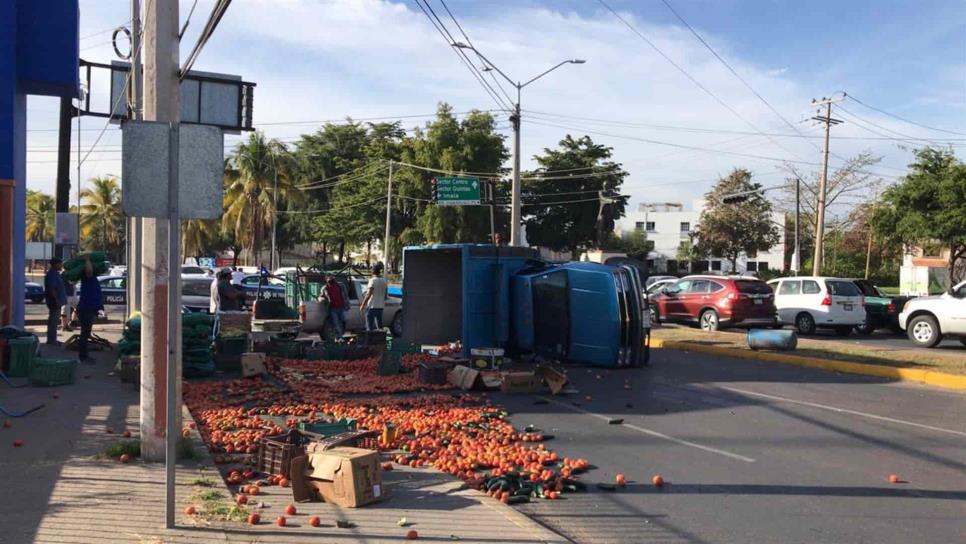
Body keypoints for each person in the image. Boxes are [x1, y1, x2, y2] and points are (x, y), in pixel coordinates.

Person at [76, 257, 103, 363]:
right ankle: (83, 356)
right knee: (85, 333)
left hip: (89, 308)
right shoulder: (88, 277)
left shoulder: (91, 279)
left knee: (86, 333)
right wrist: (87, 259)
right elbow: (89, 271)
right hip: (86, 309)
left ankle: (84, 355)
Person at [43, 257, 67, 345]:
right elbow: (52, 289)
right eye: (60, 264)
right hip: (54, 301)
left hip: (57, 301)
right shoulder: (52, 274)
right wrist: (56, 300)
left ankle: (53, 339)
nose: (61, 265)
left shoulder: (56, 274)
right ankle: (51, 340)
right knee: (53, 321)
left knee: (55, 321)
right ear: (55, 264)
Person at [319, 275, 348, 339]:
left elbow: (345, 295)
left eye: (331, 280)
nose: (330, 282)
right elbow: (320, 296)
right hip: (333, 308)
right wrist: (322, 299)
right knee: (336, 323)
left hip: (341, 307)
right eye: (329, 281)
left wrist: (347, 304)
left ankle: (340, 335)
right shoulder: (325, 288)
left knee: (343, 320)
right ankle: (339, 337)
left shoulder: (340, 286)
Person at [361, 264, 388, 331]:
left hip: (372, 306)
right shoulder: (384, 281)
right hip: (380, 307)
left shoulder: (372, 280)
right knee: (379, 326)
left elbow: (369, 294)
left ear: (372, 271)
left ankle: (370, 340)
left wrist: (362, 305)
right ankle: (380, 339)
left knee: (369, 326)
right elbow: (385, 296)